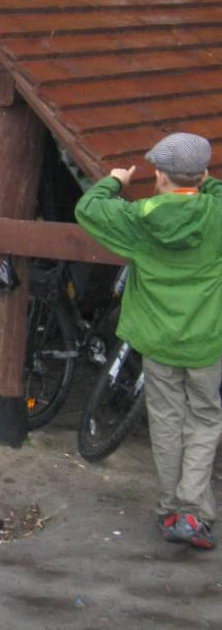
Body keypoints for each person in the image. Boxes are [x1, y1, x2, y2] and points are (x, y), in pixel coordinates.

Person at [75, 132, 222, 550]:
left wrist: (115, 181)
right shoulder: (216, 213)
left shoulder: (139, 218)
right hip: (206, 340)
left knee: (167, 420)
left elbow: (89, 209)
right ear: (203, 175)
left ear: (158, 176)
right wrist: (202, 181)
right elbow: (212, 189)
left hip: (157, 341)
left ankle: (172, 507)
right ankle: (192, 510)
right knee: (206, 419)